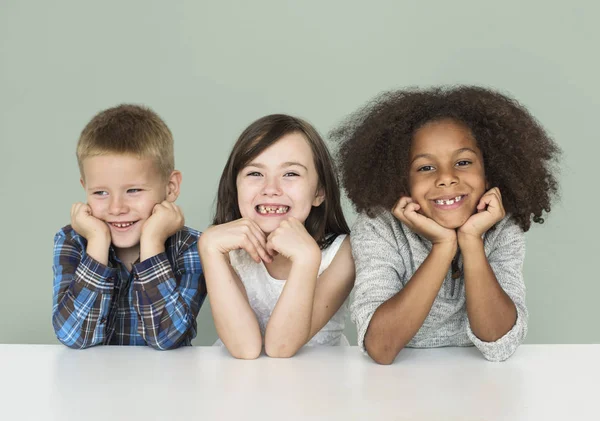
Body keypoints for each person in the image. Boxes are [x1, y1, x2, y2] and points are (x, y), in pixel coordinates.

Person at [331, 86, 560, 363]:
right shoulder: (379, 227)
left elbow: (499, 343)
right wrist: (443, 246)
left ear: (489, 175)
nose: (446, 178)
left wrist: (472, 241)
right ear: (402, 181)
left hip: (482, 387)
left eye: (463, 162)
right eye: (426, 167)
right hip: (398, 392)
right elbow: (381, 347)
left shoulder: (500, 227)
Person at [199, 114, 354, 359]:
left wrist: (306, 260)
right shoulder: (223, 248)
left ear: (319, 192)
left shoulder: (343, 253)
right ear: (235, 187)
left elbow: (281, 348)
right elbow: (245, 349)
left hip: (318, 385)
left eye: (290, 174)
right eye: (255, 174)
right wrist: (208, 247)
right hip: (238, 383)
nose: (271, 188)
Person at [52, 104, 205, 349]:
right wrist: (97, 244)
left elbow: (167, 338)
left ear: (171, 186)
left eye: (133, 190)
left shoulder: (191, 247)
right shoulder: (73, 240)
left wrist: (153, 243)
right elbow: (74, 337)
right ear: (85, 188)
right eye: (100, 192)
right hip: (90, 383)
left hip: (167, 383)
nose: (116, 207)